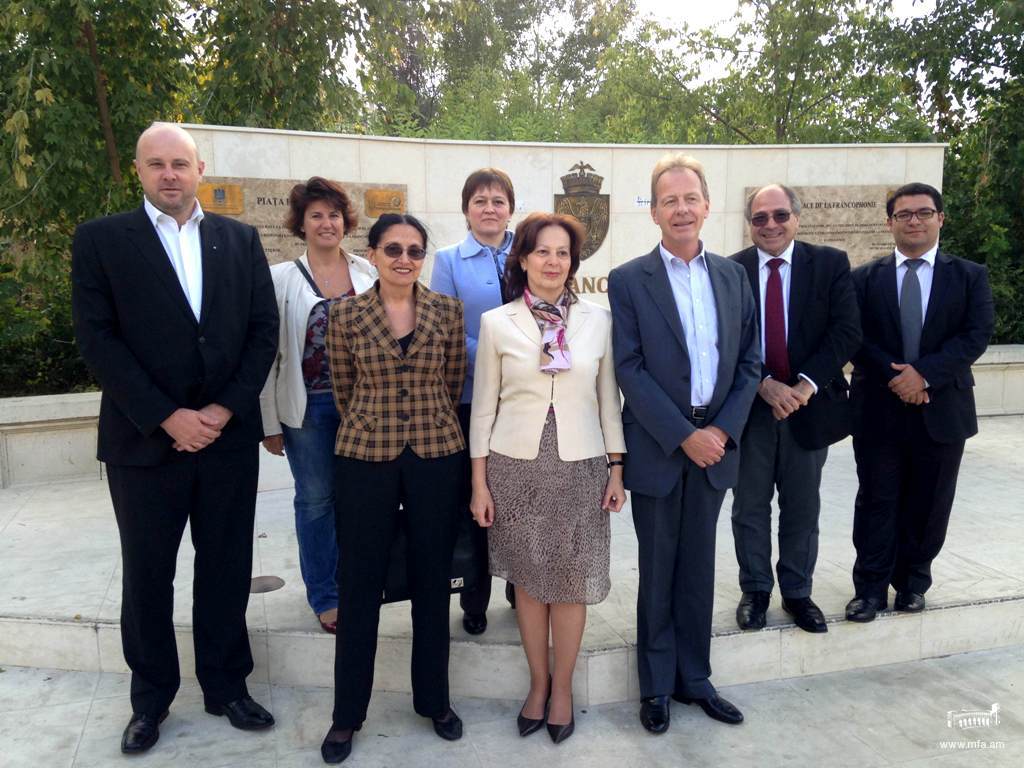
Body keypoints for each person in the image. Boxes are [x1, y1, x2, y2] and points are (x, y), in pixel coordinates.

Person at [71, 122, 279, 754]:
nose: (169, 174)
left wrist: (220, 411)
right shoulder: (102, 240)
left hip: (226, 440)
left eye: (180, 163)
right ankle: (150, 701)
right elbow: (97, 340)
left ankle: (226, 686)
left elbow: (262, 331)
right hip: (143, 444)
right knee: (148, 574)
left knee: (225, 567)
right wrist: (168, 416)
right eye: (156, 164)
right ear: (138, 171)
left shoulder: (239, 241)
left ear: (199, 169)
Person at [607, 153, 759, 735]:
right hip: (660, 447)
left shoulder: (732, 276)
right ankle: (656, 686)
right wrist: (684, 436)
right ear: (654, 211)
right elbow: (630, 367)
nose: (681, 209)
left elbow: (749, 362)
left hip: (717, 444)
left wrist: (718, 431)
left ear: (706, 204)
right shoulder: (628, 280)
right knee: (659, 565)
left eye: (689, 198)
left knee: (699, 566)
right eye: (668, 200)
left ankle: (695, 678)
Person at [469, 212, 626, 744]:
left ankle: (563, 690)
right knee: (531, 582)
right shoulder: (497, 323)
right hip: (515, 467)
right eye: (542, 252)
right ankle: (537, 685)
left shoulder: (598, 321)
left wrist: (616, 468)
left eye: (562, 253)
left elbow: (609, 401)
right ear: (523, 258)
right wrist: (479, 482)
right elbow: (483, 409)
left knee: (572, 582)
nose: (553, 261)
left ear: (573, 262)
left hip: (581, 467)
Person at [321, 213, 467, 764]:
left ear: (423, 257)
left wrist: (421, 423)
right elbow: (342, 385)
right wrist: (378, 422)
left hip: (434, 453)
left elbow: (451, 383)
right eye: (392, 249)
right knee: (359, 583)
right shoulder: (345, 314)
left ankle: (435, 701)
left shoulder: (446, 311)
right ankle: (346, 715)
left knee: (433, 579)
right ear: (374, 254)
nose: (404, 258)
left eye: (413, 250)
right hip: (365, 455)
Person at [846, 183, 994, 623]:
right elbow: (855, 337)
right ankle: (869, 589)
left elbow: (976, 333)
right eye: (904, 214)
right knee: (876, 499)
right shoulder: (864, 279)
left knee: (929, 503)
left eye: (924, 213)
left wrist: (924, 374)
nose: (914, 220)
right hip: (879, 411)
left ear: (940, 219)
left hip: (942, 409)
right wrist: (900, 379)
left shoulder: (969, 276)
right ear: (889, 222)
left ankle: (912, 582)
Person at [729, 184, 861, 633]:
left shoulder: (829, 264)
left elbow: (846, 332)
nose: (770, 225)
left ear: (797, 218)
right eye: (760, 218)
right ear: (750, 224)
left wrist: (803, 386)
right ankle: (756, 590)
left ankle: (798, 593)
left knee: (802, 506)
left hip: (810, 409)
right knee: (749, 505)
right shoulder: (731, 271)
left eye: (779, 215)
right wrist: (764, 384)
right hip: (750, 410)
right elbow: (726, 341)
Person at [259, 177, 377, 634]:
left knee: (360, 500)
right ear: (301, 224)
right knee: (315, 500)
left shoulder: (368, 273)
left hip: (366, 409)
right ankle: (326, 595)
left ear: (345, 222)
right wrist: (269, 422)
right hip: (307, 409)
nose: (326, 223)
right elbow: (269, 356)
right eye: (316, 215)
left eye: (333, 214)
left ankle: (362, 583)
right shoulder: (280, 279)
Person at [431, 167, 518, 635]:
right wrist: (500, 354)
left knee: (520, 495)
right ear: (466, 209)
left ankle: (518, 585)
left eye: (498, 200)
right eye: (480, 200)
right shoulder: (449, 260)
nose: (489, 208)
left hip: (526, 399)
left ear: (510, 207)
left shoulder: (529, 251)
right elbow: (444, 328)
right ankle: (475, 597)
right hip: (471, 398)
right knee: (477, 498)